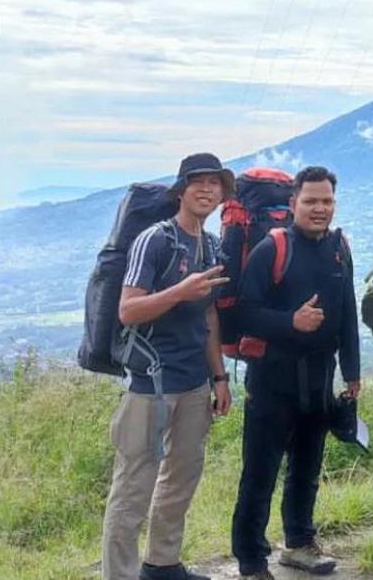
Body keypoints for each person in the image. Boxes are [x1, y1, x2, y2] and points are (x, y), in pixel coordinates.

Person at [102, 152, 235, 580]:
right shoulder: (155, 240)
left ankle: (162, 563)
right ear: (181, 189)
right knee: (133, 489)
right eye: (198, 182)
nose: (207, 189)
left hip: (195, 382)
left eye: (215, 184)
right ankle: (119, 575)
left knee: (182, 478)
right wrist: (180, 291)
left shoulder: (211, 245)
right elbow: (128, 310)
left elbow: (209, 316)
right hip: (150, 384)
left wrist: (220, 377)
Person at [231, 166, 361, 579]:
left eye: (326, 201)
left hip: (320, 380)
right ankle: (252, 562)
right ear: (293, 204)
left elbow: (348, 315)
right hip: (272, 381)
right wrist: (291, 322)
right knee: (260, 474)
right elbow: (244, 315)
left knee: (306, 470)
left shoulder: (340, 248)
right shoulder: (273, 249)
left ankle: (300, 544)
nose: (319, 209)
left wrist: (352, 372)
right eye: (310, 201)